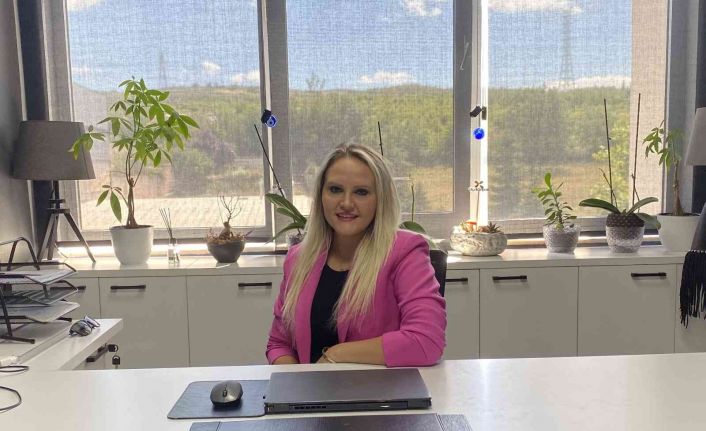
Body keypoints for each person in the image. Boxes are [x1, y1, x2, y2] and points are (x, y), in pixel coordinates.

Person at [266, 144, 446, 366]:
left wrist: (336, 356)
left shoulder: (404, 251)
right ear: (321, 196)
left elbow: (426, 341)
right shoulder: (299, 258)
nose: (346, 203)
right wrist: (294, 380)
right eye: (335, 189)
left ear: (380, 199)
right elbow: (279, 343)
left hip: (377, 388)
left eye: (361, 192)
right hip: (310, 387)